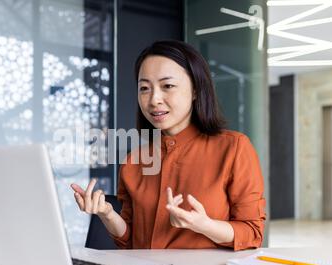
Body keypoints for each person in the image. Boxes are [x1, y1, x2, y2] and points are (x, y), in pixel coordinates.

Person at [70, 40, 266, 251]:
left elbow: (252, 233)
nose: (154, 99)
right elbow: (129, 240)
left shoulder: (234, 148)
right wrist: (107, 214)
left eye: (168, 86)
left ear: (195, 90)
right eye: (144, 88)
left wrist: (205, 226)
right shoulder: (134, 161)